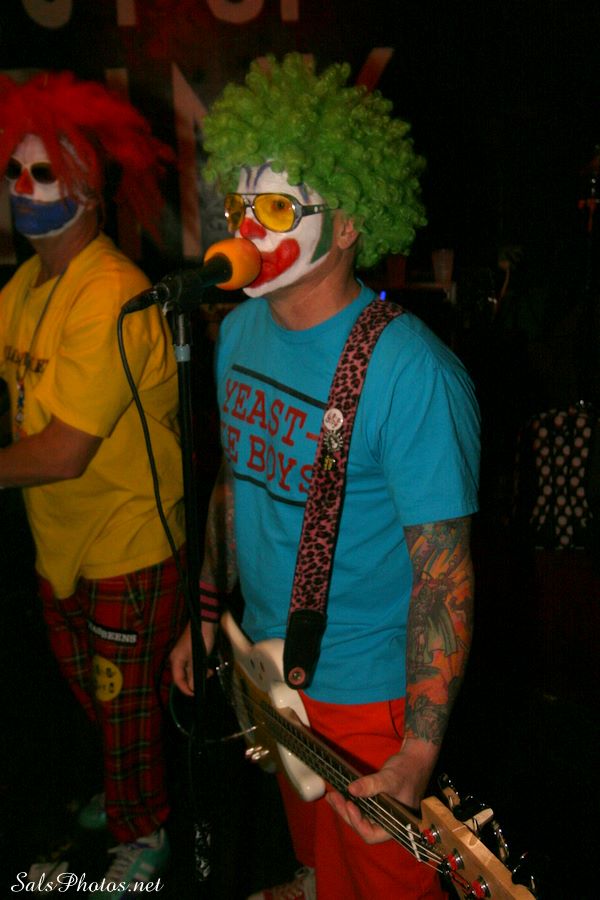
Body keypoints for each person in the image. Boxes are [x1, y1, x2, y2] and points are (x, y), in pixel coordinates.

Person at [170, 54, 480, 900]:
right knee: (314, 860)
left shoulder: (411, 372)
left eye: (275, 209)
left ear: (346, 224)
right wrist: (206, 613)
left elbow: (443, 576)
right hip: (268, 669)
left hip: (371, 703)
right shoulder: (238, 333)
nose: (246, 231)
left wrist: (417, 751)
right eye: (240, 207)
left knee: (385, 886)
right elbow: (237, 487)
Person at [0, 72, 186, 898]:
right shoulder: (26, 286)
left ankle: (146, 831)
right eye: (15, 170)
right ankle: (127, 786)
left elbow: (64, 452)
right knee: (103, 702)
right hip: (63, 544)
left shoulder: (111, 292)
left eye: (43, 172)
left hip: (127, 543)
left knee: (125, 704)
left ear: (87, 187)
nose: (23, 187)